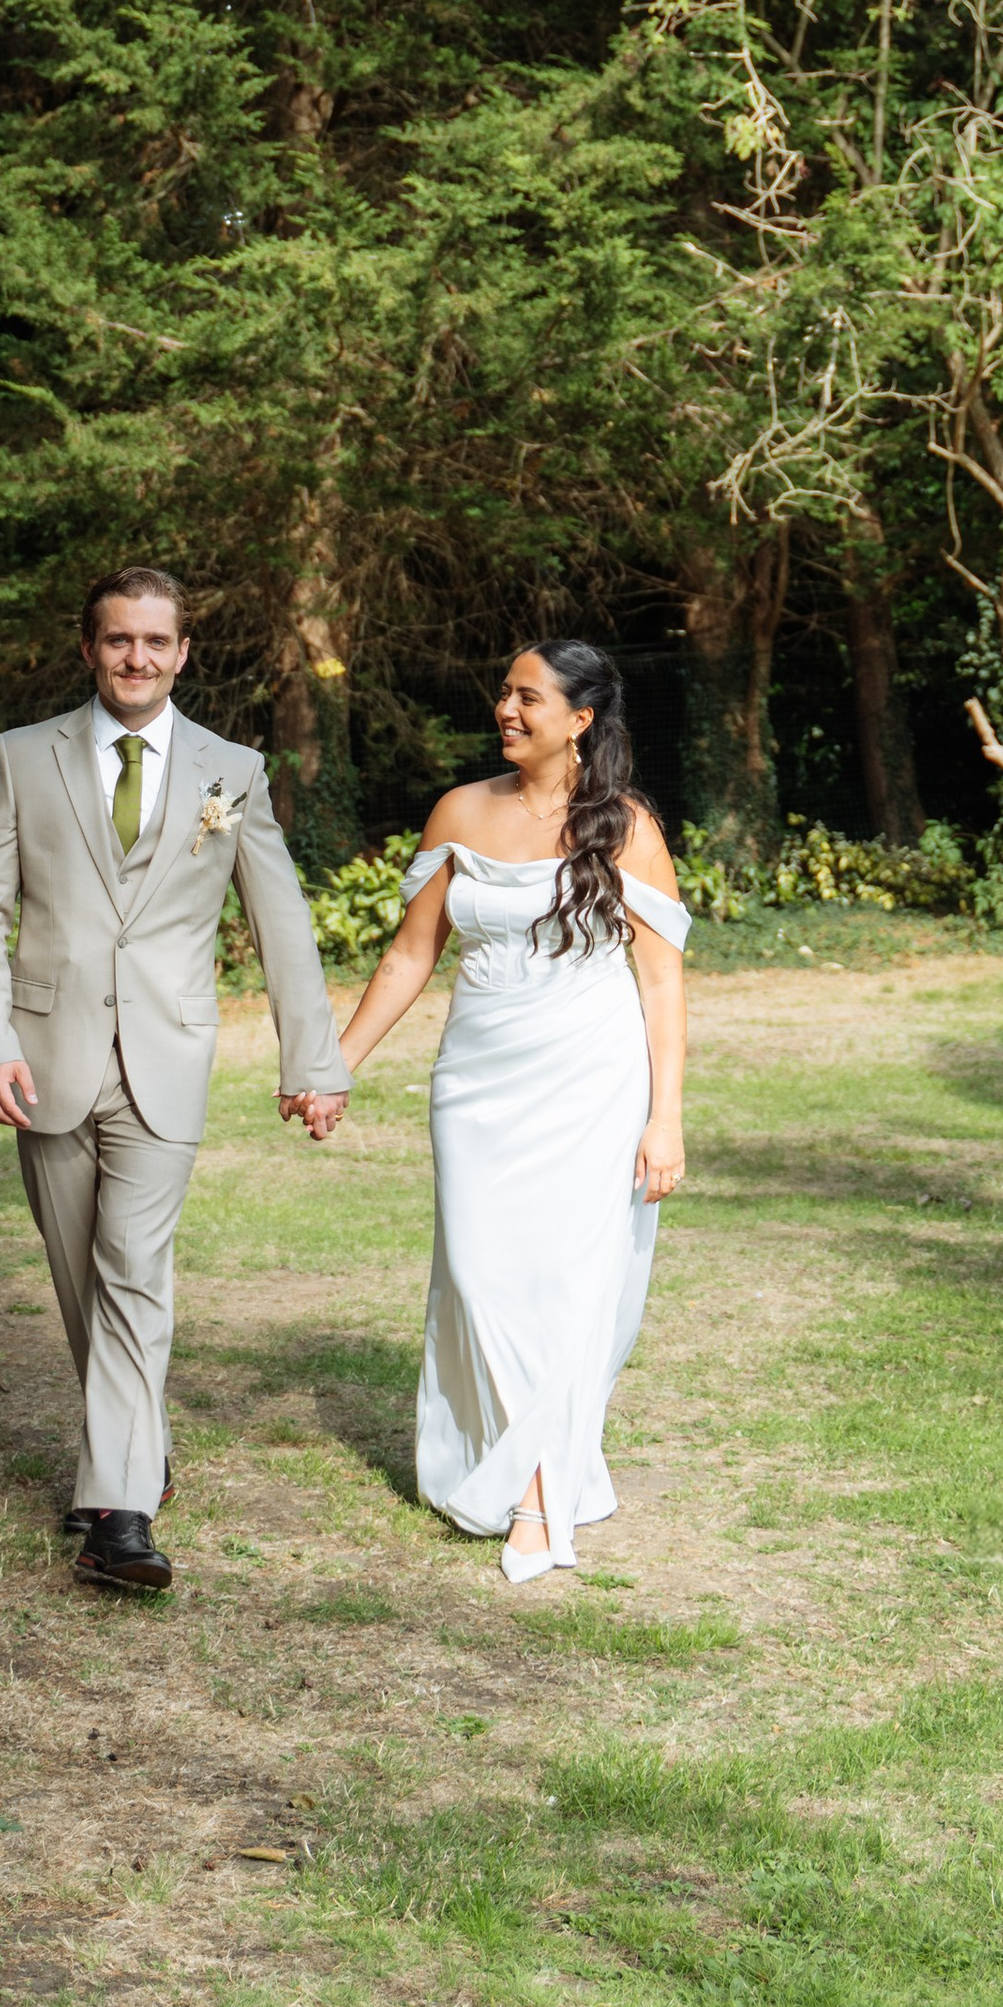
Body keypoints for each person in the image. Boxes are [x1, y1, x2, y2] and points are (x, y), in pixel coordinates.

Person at [0, 565, 349, 1595]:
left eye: (155, 641)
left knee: (132, 1271)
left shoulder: (232, 771)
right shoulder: (22, 757)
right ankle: (139, 1450)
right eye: (119, 640)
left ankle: (118, 1518)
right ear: (90, 649)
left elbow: (281, 919)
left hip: (167, 1058)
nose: (137, 657)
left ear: (182, 654)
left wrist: (312, 1061)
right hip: (44, 1061)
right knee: (79, 1281)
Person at [310, 638, 689, 1581]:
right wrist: (335, 1065)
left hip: (592, 1080)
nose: (506, 711)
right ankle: (521, 1459)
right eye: (504, 694)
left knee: (572, 1282)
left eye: (529, 697)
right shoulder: (460, 811)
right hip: (477, 1084)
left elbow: (661, 982)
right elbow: (411, 955)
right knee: (479, 1281)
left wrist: (665, 1118)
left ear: (580, 718)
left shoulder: (628, 826)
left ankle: (539, 1490)